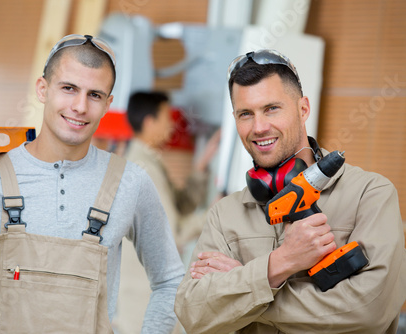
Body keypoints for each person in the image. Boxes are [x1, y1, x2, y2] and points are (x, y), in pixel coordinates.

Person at [0, 34, 184, 333]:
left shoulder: (132, 182)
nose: (79, 106)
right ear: (43, 89)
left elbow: (170, 281)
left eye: (94, 95)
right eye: (69, 88)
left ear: (107, 104)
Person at [174, 49, 406, 333]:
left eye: (272, 108)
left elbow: (370, 310)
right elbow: (192, 312)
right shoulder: (226, 214)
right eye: (245, 114)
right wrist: (279, 264)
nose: (259, 127)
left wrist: (244, 292)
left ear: (303, 108)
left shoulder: (369, 194)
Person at [115, 91, 219, 333]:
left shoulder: (148, 161)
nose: (172, 124)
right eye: (166, 117)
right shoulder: (143, 170)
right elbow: (172, 233)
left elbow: (180, 205)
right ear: (150, 122)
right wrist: (214, 214)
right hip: (145, 298)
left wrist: (201, 166)